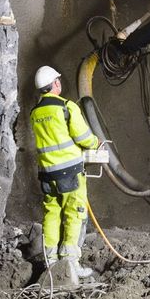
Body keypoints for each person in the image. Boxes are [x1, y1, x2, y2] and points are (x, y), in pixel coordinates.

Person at [30, 64, 99, 277]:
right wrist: (96, 143)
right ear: (56, 84)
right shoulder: (67, 107)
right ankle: (70, 265)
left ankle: (51, 263)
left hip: (47, 174)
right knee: (75, 213)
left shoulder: (35, 112)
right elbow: (83, 137)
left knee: (51, 213)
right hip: (70, 172)